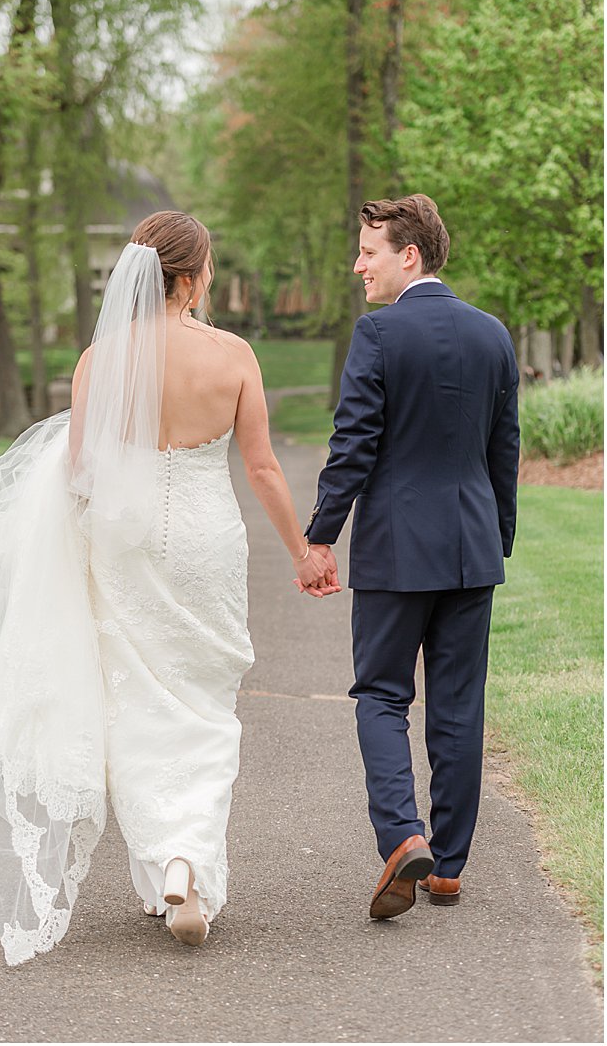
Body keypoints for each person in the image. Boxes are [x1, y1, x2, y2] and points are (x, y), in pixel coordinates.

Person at [0, 210, 338, 964]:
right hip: (207, 542)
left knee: (136, 699)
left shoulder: (101, 361)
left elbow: (81, 472)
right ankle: (186, 864)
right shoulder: (234, 356)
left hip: (124, 541)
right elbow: (261, 469)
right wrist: (305, 552)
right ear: (189, 278)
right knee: (205, 700)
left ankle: (168, 868)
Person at [305, 194, 519, 919]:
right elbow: (504, 454)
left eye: (368, 251)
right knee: (458, 707)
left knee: (381, 694)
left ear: (409, 256)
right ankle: (448, 869)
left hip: (397, 548)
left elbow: (354, 444)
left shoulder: (379, 336)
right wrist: (499, 540)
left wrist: (320, 534)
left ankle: (402, 837)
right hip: (472, 549)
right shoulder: (494, 336)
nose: (357, 265)